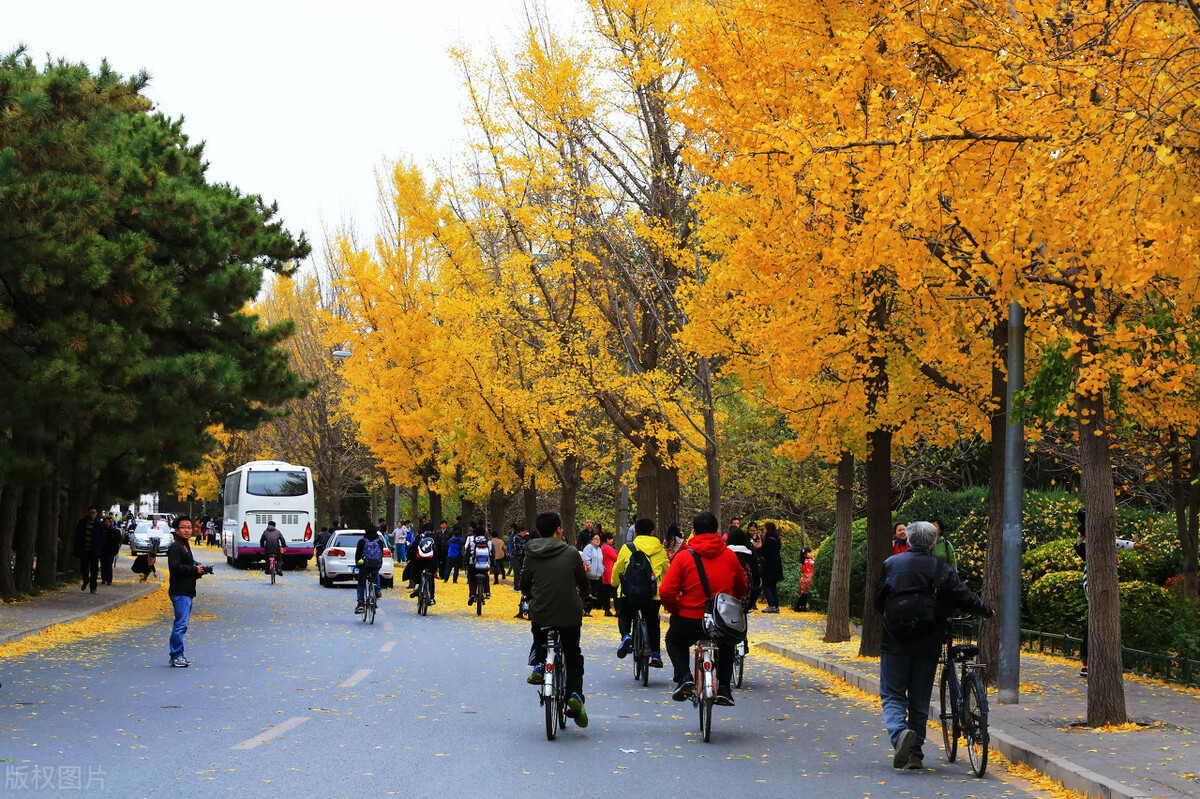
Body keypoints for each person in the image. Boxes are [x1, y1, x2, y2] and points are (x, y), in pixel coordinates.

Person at [873, 520, 994, 770]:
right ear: (934, 542)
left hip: (895, 641)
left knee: (892, 694)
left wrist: (892, 617)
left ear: (909, 540)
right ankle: (915, 754)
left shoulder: (891, 564)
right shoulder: (940, 567)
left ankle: (899, 734)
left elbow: (878, 600)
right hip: (928, 641)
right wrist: (987, 611)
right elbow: (962, 595)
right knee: (919, 699)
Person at [660, 511, 747, 706]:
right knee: (727, 643)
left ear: (694, 532)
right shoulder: (730, 556)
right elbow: (741, 587)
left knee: (674, 640)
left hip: (689, 618)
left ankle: (684, 677)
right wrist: (730, 605)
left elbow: (666, 591)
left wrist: (676, 609)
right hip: (720, 620)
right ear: (717, 531)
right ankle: (724, 688)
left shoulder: (684, 557)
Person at [521, 511, 591, 728]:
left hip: (541, 611)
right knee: (572, 655)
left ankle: (540, 664)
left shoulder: (531, 551)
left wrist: (530, 596)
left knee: (539, 632)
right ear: (559, 530)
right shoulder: (571, 552)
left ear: (539, 532)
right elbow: (582, 580)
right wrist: (586, 596)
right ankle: (574, 695)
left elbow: (524, 581)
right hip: (570, 613)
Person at [1074, 509, 1150, 678]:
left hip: (1104, 583)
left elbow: (1118, 543)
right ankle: (1087, 663)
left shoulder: (1099, 540)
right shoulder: (1084, 543)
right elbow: (1111, 544)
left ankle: (1097, 660)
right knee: (1094, 621)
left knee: (1100, 621)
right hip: (1092, 583)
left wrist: (1137, 546)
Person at [612, 517, 671, 667]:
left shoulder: (627, 548)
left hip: (628, 593)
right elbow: (667, 572)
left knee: (624, 615)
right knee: (653, 622)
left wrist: (615, 583)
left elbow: (618, 568)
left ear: (635, 532)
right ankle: (656, 654)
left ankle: (626, 636)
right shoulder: (660, 550)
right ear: (652, 532)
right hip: (652, 594)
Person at [167, 516, 212, 668]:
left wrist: (198, 570)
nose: (187, 530)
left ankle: (179, 655)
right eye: (183, 527)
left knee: (182, 624)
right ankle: (176, 655)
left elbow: (186, 566)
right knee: (180, 624)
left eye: (189, 527)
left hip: (186, 590)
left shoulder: (184, 545)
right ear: (177, 530)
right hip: (180, 591)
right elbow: (175, 568)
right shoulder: (176, 547)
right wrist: (194, 570)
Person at [725, 527, 761, 614]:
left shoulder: (725, 554)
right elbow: (756, 578)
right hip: (746, 597)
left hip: (727, 597)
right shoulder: (750, 554)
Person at [354, 524, 385, 614]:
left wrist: (357, 564)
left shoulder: (362, 542)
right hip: (375, 565)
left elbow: (358, 554)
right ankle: (378, 591)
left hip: (364, 566)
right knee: (376, 573)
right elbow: (381, 554)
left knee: (361, 583)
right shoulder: (380, 542)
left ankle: (360, 603)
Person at [74, 507, 104, 594]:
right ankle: (86, 579)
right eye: (91, 512)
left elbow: (102, 537)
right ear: (87, 513)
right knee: (84, 568)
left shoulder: (99, 524)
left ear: (96, 514)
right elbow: (78, 536)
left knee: (94, 570)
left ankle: (93, 587)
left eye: (94, 512)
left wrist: (99, 548)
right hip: (84, 550)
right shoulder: (82, 523)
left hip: (94, 551)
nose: (92, 514)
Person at [406, 523, 438, 604]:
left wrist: (409, 557)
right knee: (431, 577)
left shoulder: (420, 537)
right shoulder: (435, 538)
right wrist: (439, 562)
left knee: (415, 569)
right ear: (433, 530)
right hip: (432, 562)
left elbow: (413, 548)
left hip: (420, 561)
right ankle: (431, 598)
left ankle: (417, 585)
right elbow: (440, 550)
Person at [759, 522, 783, 613]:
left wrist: (759, 547)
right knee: (773, 586)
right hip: (776, 566)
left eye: (764, 528)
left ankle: (771, 605)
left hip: (769, 566)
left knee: (766, 585)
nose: (763, 530)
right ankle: (776, 605)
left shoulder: (769, 540)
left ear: (768, 529)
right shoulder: (776, 539)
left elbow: (764, 552)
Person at [465, 528, 493, 604]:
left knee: (471, 578)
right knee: (486, 576)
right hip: (485, 566)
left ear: (475, 534)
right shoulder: (489, 543)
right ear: (484, 534)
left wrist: (466, 563)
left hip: (473, 565)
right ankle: (487, 592)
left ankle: (472, 594)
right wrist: (492, 564)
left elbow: (467, 554)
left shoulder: (472, 543)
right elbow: (492, 554)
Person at [582, 532, 605, 613]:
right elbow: (586, 559)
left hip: (597, 576)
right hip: (589, 575)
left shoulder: (599, 549)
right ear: (591, 540)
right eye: (595, 539)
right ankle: (585, 610)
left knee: (594, 593)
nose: (597, 540)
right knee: (588, 593)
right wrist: (590, 567)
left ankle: (588, 611)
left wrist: (602, 569)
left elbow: (601, 561)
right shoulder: (588, 548)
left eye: (598, 539)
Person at [599, 531, 619, 616]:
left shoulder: (602, 547)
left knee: (606, 593)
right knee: (615, 592)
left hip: (605, 572)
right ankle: (618, 610)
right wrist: (615, 552)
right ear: (607, 539)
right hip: (610, 571)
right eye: (611, 539)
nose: (612, 540)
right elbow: (616, 558)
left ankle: (607, 609)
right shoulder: (608, 548)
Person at [101, 515, 122, 586]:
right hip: (103, 550)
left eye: (109, 522)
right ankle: (104, 578)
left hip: (111, 550)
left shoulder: (115, 531)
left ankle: (109, 579)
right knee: (103, 565)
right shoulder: (102, 530)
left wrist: (118, 545)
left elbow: (119, 539)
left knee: (109, 565)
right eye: (106, 522)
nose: (108, 523)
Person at [510, 524, 529, 599]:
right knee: (517, 571)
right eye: (524, 533)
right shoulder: (516, 538)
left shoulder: (525, 538)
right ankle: (517, 587)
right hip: (516, 556)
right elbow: (517, 548)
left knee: (522, 572)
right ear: (520, 532)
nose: (525, 534)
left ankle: (521, 587)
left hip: (522, 556)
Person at [792, 547, 814, 612]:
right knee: (805, 595)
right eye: (809, 552)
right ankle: (801, 607)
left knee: (804, 594)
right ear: (805, 554)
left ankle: (799, 607)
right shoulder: (810, 561)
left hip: (803, 578)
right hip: (808, 578)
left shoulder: (803, 562)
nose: (810, 554)